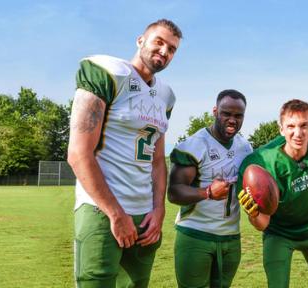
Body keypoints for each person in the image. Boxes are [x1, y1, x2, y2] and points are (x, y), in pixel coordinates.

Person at [67, 19, 182, 287]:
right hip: (102, 209)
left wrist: (159, 209)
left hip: (145, 214)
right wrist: (115, 214)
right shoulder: (108, 72)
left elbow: (157, 161)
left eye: (172, 49)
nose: (165, 51)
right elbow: (78, 153)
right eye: (159, 42)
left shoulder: (165, 95)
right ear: (140, 40)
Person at [238, 99, 308, 288]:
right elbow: (262, 224)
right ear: (281, 129)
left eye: (304, 126)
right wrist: (253, 214)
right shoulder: (262, 162)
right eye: (291, 126)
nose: (298, 133)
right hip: (279, 234)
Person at [168, 89, 252, 288]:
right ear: (215, 111)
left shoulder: (245, 146)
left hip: (231, 237)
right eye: (226, 113)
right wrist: (207, 193)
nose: (232, 120)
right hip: (196, 235)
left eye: (238, 115)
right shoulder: (195, 144)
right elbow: (174, 191)